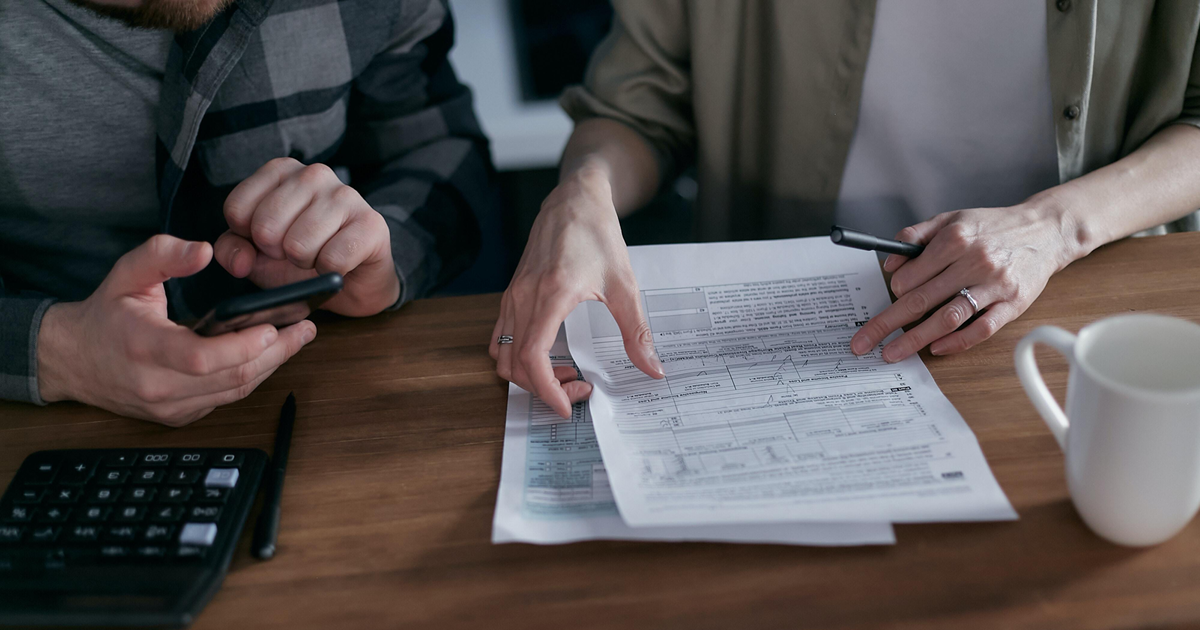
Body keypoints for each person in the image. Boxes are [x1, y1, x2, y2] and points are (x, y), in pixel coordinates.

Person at [493, 0, 1200, 419]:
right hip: (792, 322)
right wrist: (583, 189)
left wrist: (1053, 227)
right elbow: (638, 102)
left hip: (1085, 308)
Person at [0, 0, 493, 424]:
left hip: (322, 390)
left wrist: (386, 263)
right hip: (42, 422)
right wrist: (58, 351)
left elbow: (437, 141)